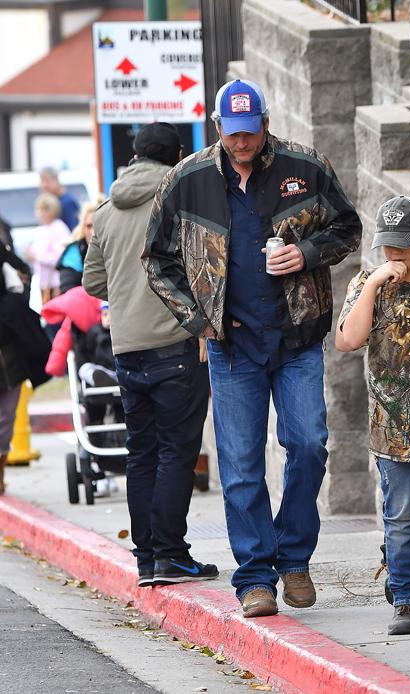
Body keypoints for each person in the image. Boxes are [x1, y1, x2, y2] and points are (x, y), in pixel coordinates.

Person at [142, 79, 362, 618]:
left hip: (298, 336)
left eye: (251, 131)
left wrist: (306, 253)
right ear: (218, 128)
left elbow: (348, 228)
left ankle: (294, 558)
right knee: (240, 465)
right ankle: (255, 577)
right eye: (233, 133)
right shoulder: (187, 179)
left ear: (265, 122)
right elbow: (157, 259)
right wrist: (196, 320)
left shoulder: (305, 167)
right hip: (230, 345)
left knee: (308, 445)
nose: (243, 142)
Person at [83, 121, 216, 589]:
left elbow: (92, 283)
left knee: (140, 451)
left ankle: (147, 558)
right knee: (176, 452)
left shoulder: (104, 211)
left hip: (127, 349)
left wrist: (126, 293)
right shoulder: (179, 197)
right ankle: (171, 555)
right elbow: (204, 266)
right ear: (176, 153)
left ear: (135, 155)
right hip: (174, 343)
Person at [336, 196, 410, 635]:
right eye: (387, 245)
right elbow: (348, 340)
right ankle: (405, 595)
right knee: (401, 515)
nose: (394, 253)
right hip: (392, 425)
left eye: (403, 244)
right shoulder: (370, 281)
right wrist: (373, 284)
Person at [0, 241, 50, 494]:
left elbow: (23, 278)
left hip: (8, 351)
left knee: (7, 417)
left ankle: (0, 471)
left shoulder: (4, 255)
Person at [26, 193, 71, 304]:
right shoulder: (41, 230)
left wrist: (37, 256)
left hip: (56, 283)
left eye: (44, 210)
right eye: (39, 209)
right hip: (44, 283)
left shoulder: (59, 228)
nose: (41, 214)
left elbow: (60, 257)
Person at [58, 201, 99, 293]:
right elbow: (68, 291)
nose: (93, 232)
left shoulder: (116, 249)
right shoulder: (73, 253)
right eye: (89, 226)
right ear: (83, 228)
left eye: (97, 226)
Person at [40, 167, 80, 231]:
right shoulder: (53, 202)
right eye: (42, 181)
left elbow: (73, 230)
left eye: (47, 181)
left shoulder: (67, 202)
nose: (44, 185)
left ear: (56, 179)